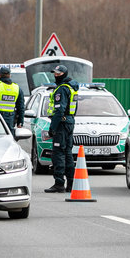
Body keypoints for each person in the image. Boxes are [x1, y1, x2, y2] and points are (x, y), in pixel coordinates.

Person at [44, 64, 79, 193]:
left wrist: (52, 128)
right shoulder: (72, 87)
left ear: (64, 74)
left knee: (58, 153)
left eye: (58, 74)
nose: (55, 75)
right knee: (68, 153)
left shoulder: (61, 89)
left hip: (61, 124)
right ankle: (71, 183)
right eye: (55, 73)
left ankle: (59, 183)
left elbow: (59, 110)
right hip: (69, 122)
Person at [0, 66, 25, 137]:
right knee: (9, 139)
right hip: (10, 120)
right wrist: (20, 122)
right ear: (9, 75)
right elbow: (21, 107)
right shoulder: (17, 88)